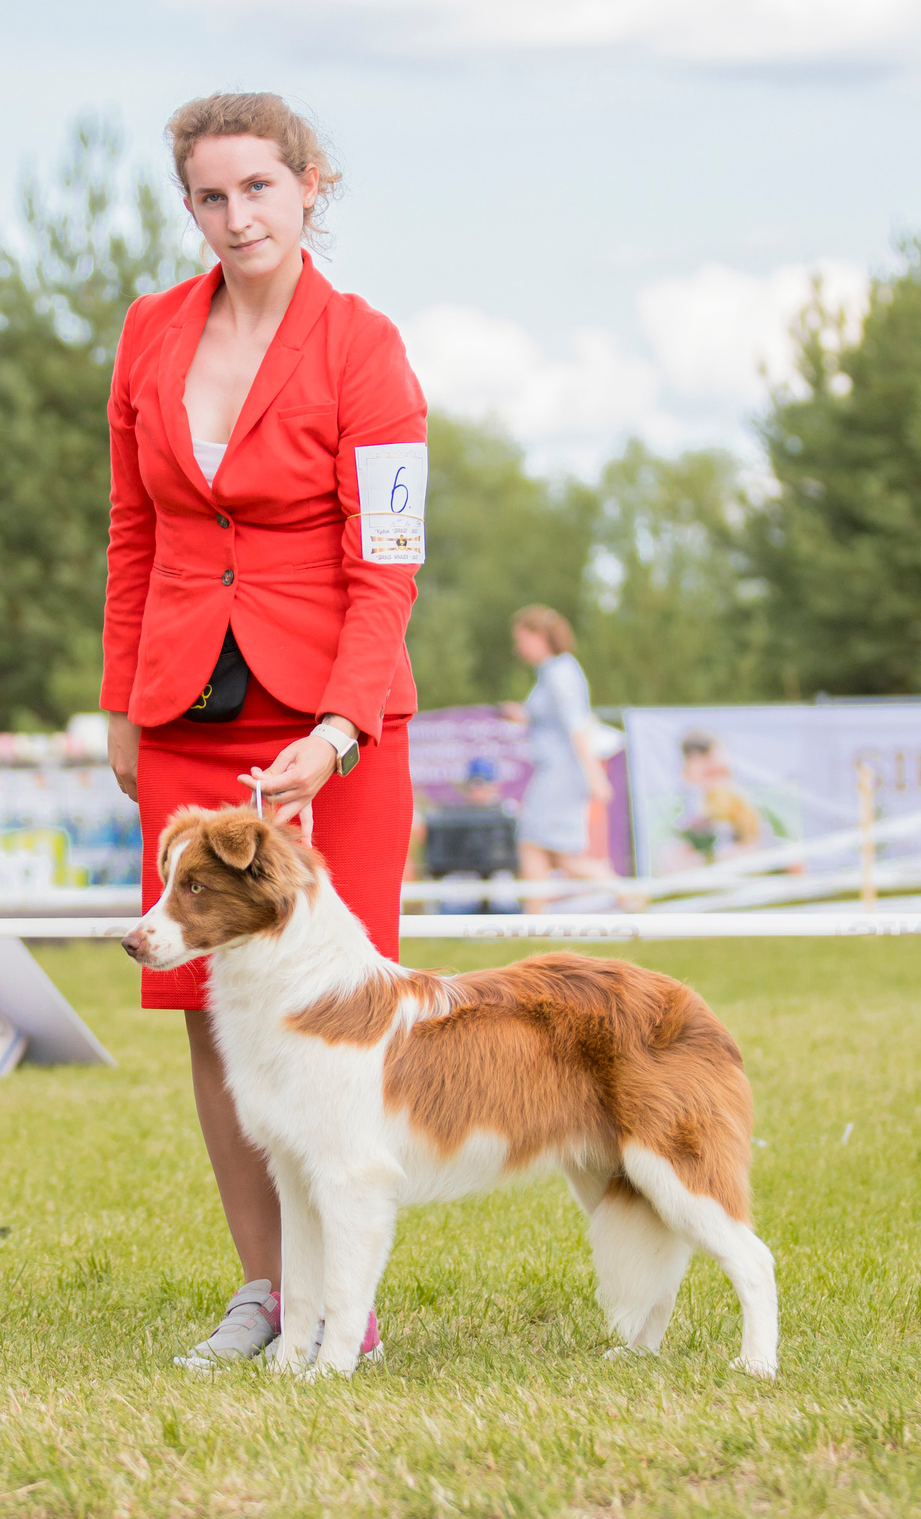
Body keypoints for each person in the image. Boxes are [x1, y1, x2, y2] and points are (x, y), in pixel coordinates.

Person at [102, 92, 425, 1369]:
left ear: (309, 186)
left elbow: (388, 559)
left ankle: (346, 1303)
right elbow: (136, 528)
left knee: (336, 1017)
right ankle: (265, 1288)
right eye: (210, 196)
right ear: (188, 206)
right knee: (208, 1007)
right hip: (183, 709)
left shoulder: (365, 346)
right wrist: (123, 697)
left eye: (258, 190)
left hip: (332, 719)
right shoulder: (148, 331)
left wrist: (341, 728)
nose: (236, 217)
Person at [498, 605, 616, 911]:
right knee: (558, 856)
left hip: (561, 772)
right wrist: (524, 716)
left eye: (522, 639)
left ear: (540, 636)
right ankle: (536, 919)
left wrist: (596, 778)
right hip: (558, 770)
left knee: (534, 842)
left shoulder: (559, 673)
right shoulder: (555, 671)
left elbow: (578, 727)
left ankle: (534, 919)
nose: (518, 648)